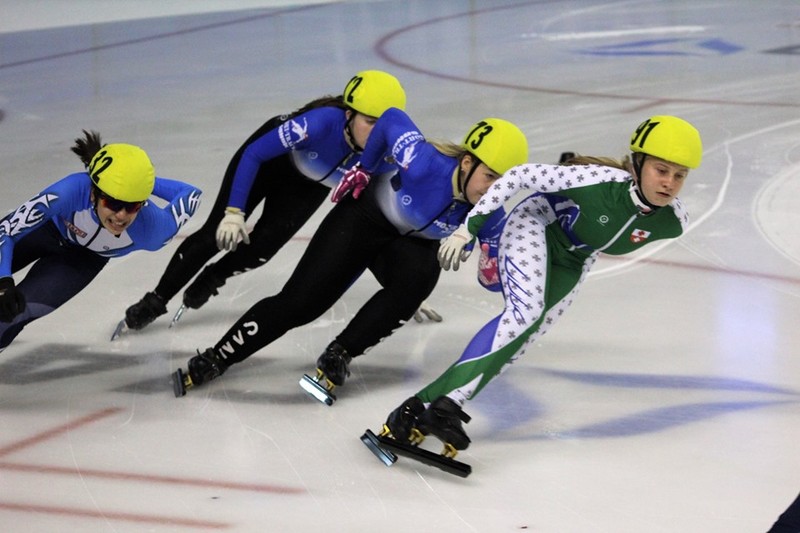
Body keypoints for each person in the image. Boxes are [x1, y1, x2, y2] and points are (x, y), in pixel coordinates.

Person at [374, 115, 703, 458]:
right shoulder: (598, 181)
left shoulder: (673, 221)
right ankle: (435, 408)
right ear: (637, 165)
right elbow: (517, 176)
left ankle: (426, 409)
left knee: (523, 337)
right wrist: (468, 228)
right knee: (524, 313)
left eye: (679, 175)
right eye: (661, 170)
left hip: (576, 257)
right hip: (536, 224)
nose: (669, 183)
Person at [172, 107, 529, 399]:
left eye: (506, 185)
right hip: (362, 221)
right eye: (491, 177)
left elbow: (493, 281)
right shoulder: (422, 161)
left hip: (407, 246)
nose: (495, 191)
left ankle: (340, 353)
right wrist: (365, 168)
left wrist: (484, 259)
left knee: (420, 278)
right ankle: (218, 356)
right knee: (301, 304)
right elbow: (390, 117)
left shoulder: (490, 214)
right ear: (466, 163)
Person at [123, 70, 413, 331]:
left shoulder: (388, 155)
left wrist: (395, 280)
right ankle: (157, 299)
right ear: (349, 115)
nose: (377, 133)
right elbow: (254, 154)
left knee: (262, 249)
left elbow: (387, 217)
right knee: (215, 234)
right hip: (269, 161)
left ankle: (214, 276)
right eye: (370, 122)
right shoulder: (318, 124)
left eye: (384, 125)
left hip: (308, 184)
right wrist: (234, 212)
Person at [0, 131, 201, 351]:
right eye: (113, 203)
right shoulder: (71, 191)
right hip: (47, 230)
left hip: (82, 260)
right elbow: (7, 230)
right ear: (94, 194)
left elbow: (192, 194)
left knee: (13, 314)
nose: (122, 215)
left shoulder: (152, 230)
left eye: (133, 205)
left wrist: (139, 181)